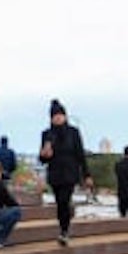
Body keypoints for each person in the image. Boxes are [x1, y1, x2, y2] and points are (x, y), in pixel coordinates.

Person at [39, 99, 92, 246]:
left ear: (65, 116)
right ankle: (63, 228)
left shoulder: (73, 133)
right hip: (55, 173)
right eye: (54, 116)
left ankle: (64, 231)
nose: (57, 118)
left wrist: (86, 174)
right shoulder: (46, 134)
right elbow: (42, 159)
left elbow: (80, 154)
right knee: (59, 203)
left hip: (70, 172)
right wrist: (45, 154)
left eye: (60, 115)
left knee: (64, 200)